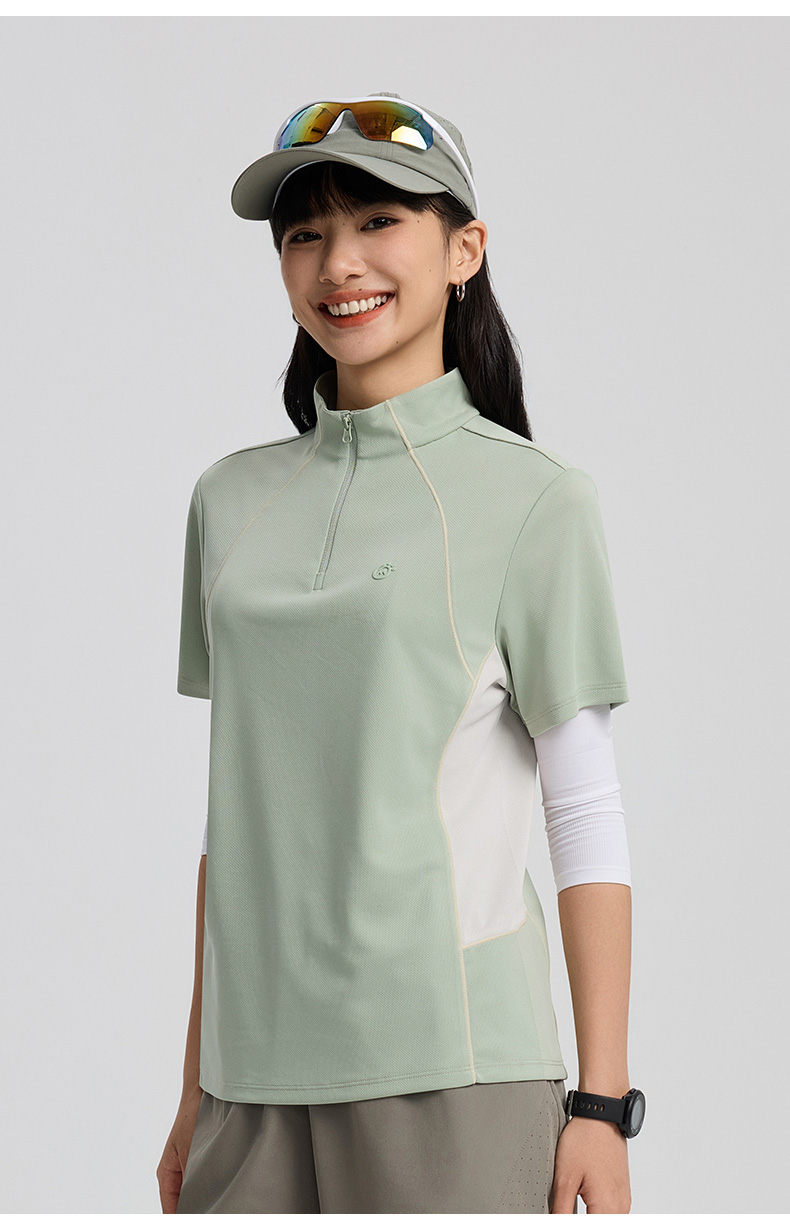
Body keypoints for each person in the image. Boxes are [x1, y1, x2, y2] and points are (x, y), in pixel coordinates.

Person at [156, 93, 643, 1215]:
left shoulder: (536, 500)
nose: (339, 263)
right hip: (247, 1084)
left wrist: (602, 1102)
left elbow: (584, 809)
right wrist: (192, 1087)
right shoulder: (228, 501)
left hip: (454, 1071)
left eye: (378, 221)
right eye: (305, 234)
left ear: (465, 249)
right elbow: (239, 822)